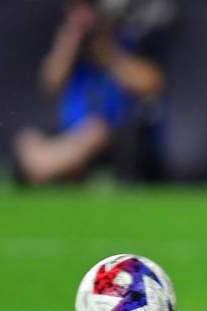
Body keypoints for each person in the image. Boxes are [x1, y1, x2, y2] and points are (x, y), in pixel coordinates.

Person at [14, 0, 169, 184]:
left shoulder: (128, 41)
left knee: (95, 131)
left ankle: (47, 168)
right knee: (27, 139)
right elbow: (50, 83)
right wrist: (69, 41)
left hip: (114, 138)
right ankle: (54, 167)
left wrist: (109, 55)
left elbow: (152, 83)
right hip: (70, 134)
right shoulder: (73, 46)